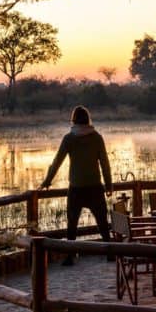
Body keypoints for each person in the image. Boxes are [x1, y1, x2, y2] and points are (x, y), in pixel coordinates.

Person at [39, 105, 113, 265]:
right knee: (102, 223)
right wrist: (109, 185)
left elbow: (57, 161)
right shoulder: (96, 137)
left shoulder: (69, 138)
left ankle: (70, 256)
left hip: (76, 188)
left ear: (73, 120)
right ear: (88, 120)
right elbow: (105, 164)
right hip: (95, 187)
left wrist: (47, 181)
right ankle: (110, 253)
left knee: (71, 224)